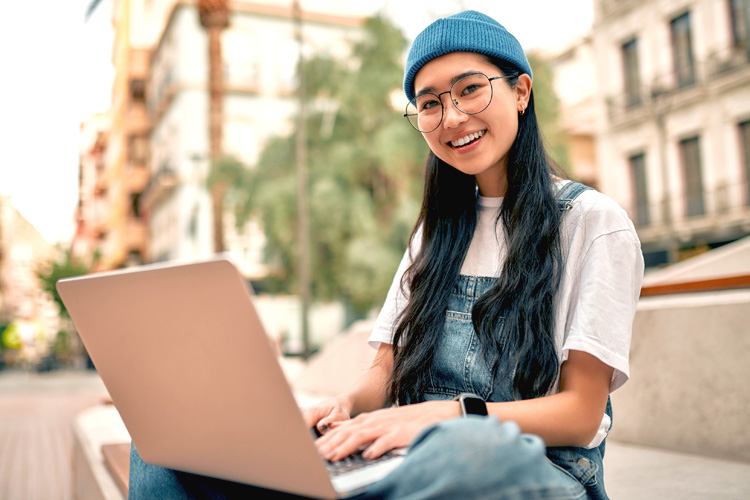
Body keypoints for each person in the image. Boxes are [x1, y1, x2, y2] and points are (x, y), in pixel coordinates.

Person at [129, 10, 644, 500]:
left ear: (521, 91)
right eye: (429, 104)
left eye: (469, 89)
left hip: (532, 467)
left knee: (470, 448)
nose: (452, 117)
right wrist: (344, 407)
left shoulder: (591, 223)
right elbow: (384, 371)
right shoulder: (434, 235)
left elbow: (581, 412)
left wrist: (447, 417)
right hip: (413, 457)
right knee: (170, 442)